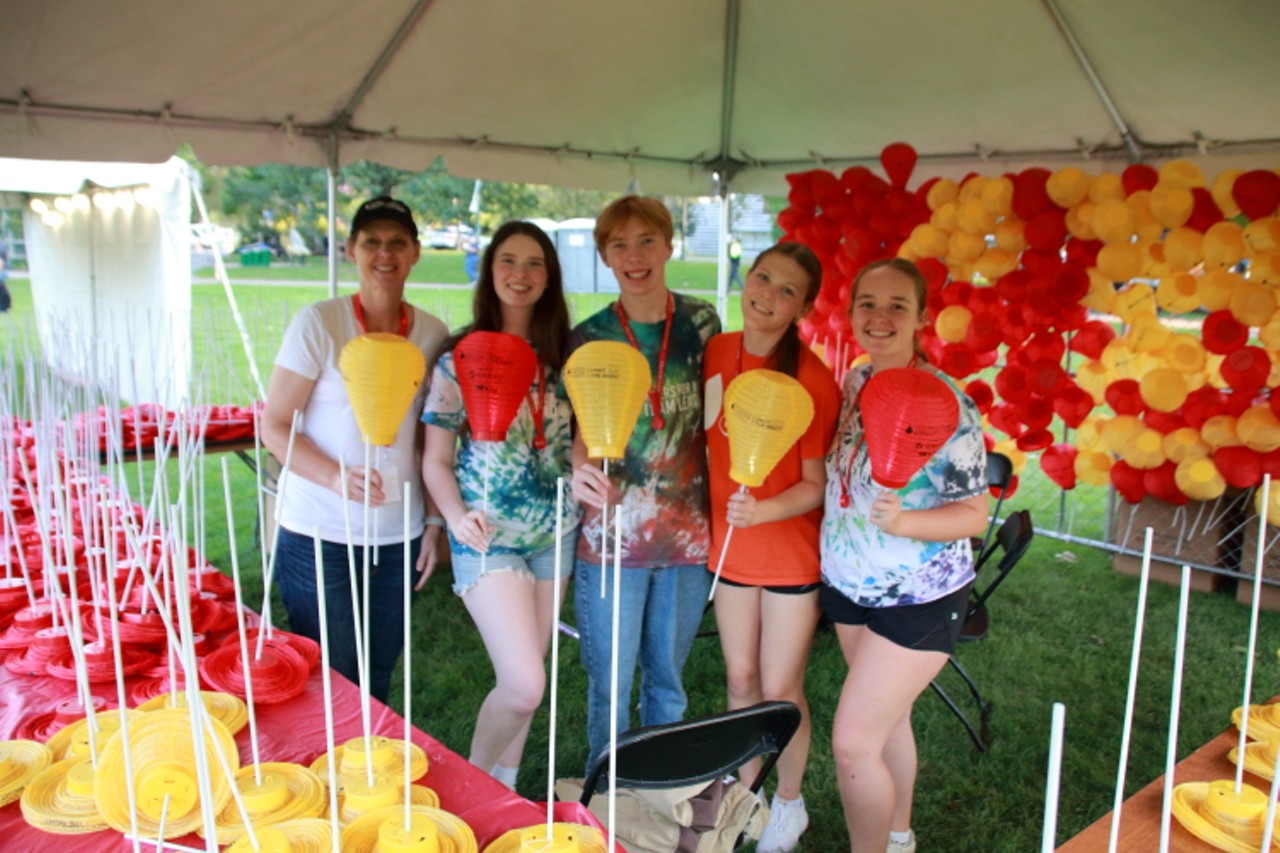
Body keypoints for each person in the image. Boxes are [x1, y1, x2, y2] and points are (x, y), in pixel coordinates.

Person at [821, 258, 988, 853]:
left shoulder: (948, 404)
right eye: (868, 303)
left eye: (897, 305)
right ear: (851, 313)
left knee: (852, 743)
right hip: (847, 585)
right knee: (888, 723)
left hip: (918, 596)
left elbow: (975, 515)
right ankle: (899, 837)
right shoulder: (856, 381)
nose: (880, 316)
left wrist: (908, 520)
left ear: (922, 318)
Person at [261, 196, 448, 705]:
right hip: (319, 531)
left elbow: (434, 437)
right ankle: (329, 776)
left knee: (380, 672)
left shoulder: (432, 334)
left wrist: (433, 522)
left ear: (414, 254)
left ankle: (372, 776)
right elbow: (274, 425)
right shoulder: (319, 323)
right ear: (350, 251)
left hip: (397, 536)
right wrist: (334, 478)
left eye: (396, 243)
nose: (383, 254)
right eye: (371, 242)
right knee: (334, 675)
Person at [421, 220, 581, 790]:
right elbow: (435, 457)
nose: (521, 274)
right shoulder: (458, 357)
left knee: (529, 678)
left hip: (555, 535)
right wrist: (454, 517)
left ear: (550, 276)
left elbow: (580, 444)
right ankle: (469, 786)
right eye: (508, 260)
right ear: (490, 272)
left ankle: (505, 792)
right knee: (523, 684)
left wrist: (589, 473)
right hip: (488, 534)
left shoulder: (568, 358)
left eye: (535, 263)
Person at [568, 195, 721, 765]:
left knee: (667, 679)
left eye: (646, 241)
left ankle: (659, 792)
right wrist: (581, 466)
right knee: (610, 685)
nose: (635, 256)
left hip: (686, 537)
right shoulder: (591, 337)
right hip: (613, 538)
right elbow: (577, 428)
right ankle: (604, 800)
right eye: (619, 245)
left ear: (669, 245)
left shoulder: (703, 323)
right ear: (605, 256)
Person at [702, 242, 840, 852]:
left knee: (782, 688)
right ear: (746, 278)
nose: (768, 296)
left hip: (788, 554)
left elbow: (815, 486)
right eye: (762, 279)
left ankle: (789, 804)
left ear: (803, 308)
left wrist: (762, 509)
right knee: (740, 677)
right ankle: (744, 796)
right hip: (730, 550)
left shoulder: (811, 378)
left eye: (787, 291)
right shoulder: (716, 350)